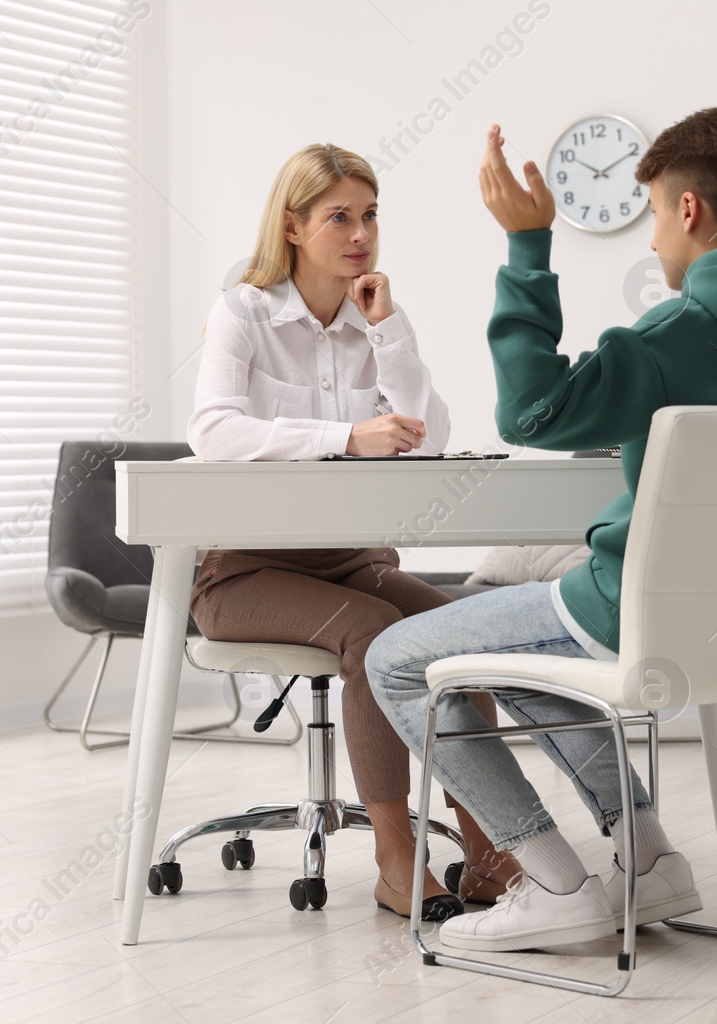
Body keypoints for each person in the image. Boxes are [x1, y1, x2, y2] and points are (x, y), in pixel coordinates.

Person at [366, 109, 717, 951]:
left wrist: (529, 249)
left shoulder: (675, 335)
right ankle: (650, 856)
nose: (658, 240)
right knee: (526, 660)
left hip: (628, 615)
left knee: (396, 660)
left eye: (659, 217)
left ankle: (554, 879)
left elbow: (531, 410)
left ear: (692, 212)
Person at [187, 143, 520, 921]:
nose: (361, 232)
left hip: (350, 561)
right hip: (244, 575)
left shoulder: (371, 322)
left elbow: (430, 436)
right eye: (340, 215)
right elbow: (212, 430)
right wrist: (345, 436)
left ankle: (487, 851)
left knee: (460, 635)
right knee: (374, 634)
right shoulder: (244, 311)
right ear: (295, 226)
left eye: (370, 215)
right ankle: (394, 855)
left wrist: (389, 331)